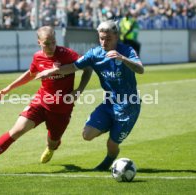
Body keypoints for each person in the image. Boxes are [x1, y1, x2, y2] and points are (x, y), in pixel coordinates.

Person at [0, 26, 92, 176]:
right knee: (16, 130)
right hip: (41, 102)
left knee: (53, 141)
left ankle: (51, 147)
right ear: (39, 42)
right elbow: (31, 74)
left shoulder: (67, 54)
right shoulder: (37, 57)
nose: (51, 46)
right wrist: (9, 88)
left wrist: (79, 90)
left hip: (62, 108)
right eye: (46, 43)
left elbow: (88, 68)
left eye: (53, 42)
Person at [36, 20, 144, 171]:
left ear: (116, 37)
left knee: (111, 144)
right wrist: (53, 71)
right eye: (101, 38)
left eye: (108, 39)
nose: (104, 42)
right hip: (110, 104)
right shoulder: (95, 54)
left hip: (129, 106)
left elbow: (140, 69)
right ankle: (111, 125)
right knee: (87, 135)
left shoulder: (126, 50)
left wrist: (123, 59)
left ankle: (107, 162)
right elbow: (73, 67)